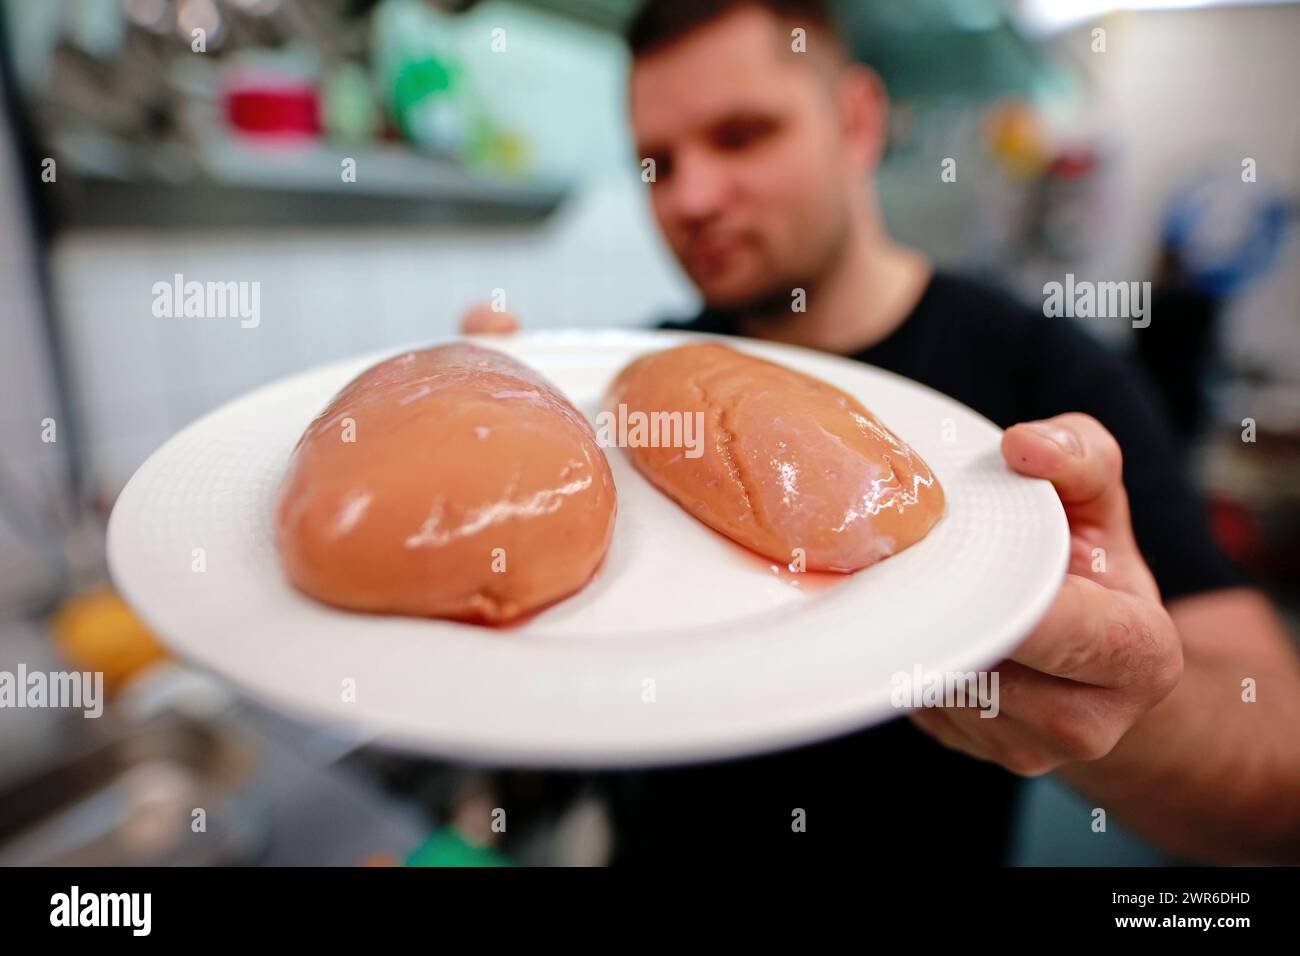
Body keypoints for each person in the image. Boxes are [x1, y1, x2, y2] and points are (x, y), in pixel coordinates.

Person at [463, 0, 1300, 863]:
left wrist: (1127, 704)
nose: (693, 197)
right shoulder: (635, 383)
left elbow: (1282, 782)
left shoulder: (1043, 382)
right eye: (657, 162)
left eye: (742, 136)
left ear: (857, 121)